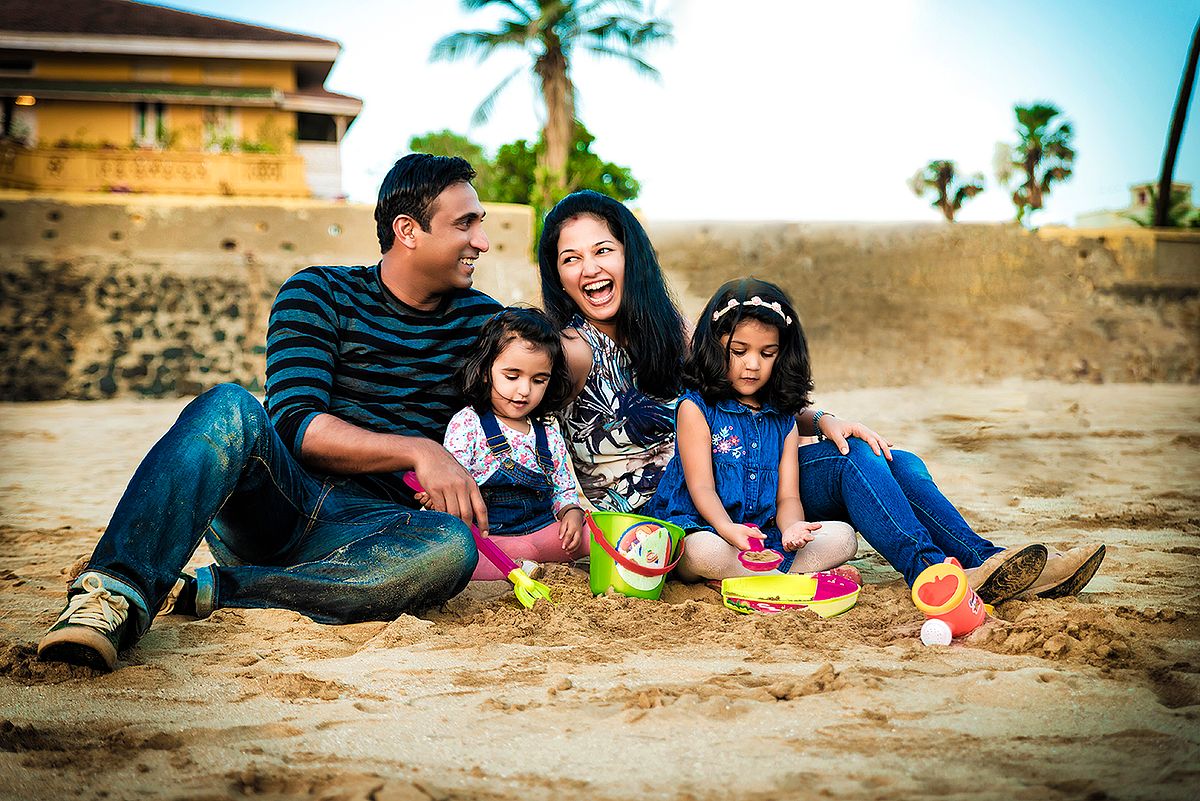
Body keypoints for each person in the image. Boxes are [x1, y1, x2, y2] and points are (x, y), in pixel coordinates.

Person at [37, 154, 501, 672]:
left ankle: (222, 589)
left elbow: (544, 383)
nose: (481, 241)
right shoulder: (319, 293)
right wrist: (420, 450)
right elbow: (295, 424)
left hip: (373, 533)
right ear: (408, 230)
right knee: (229, 406)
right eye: (466, 223)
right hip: (277, 501)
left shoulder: (486, 324)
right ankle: (112, 596)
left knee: (451, 549)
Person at [538, 191, 1105, 602]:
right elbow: (518, 410)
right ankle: (942, 573)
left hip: (742, 473)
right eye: (570, 258)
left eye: (602, 251)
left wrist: (818, 415)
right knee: (850, 462)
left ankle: (989, 562)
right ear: (557, 274)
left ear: (629, 255)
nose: (590, 269)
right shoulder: (569, 349)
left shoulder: (668, 333)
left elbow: (733, 389)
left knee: (888, 457)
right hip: (674, 515)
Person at [647, 279, 858, 580]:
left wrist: (792, 527)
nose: (753, 365)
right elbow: (701, 488)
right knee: (699, 552)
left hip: (759, 538)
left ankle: (752, 573)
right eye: (739, 351)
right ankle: (779, 574)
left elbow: (788, 498)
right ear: (716, 346)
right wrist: (727, 528)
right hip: (707, 529)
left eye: (767, 353)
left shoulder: (784, 421)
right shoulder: (695, 409)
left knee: (844, 538)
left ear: (782, 356)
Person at [436, 307, 589, 579]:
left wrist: (572, 512)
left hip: (542, 531)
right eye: (512, 376)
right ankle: (513, 565)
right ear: (486, 371)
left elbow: (563, 489)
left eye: (538, 380)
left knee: (591, 533)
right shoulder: (468, 424)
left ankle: (525, 563)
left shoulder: (548, 432)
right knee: (465, 554)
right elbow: (453, 483)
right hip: (492, 537)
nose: (524, 390)